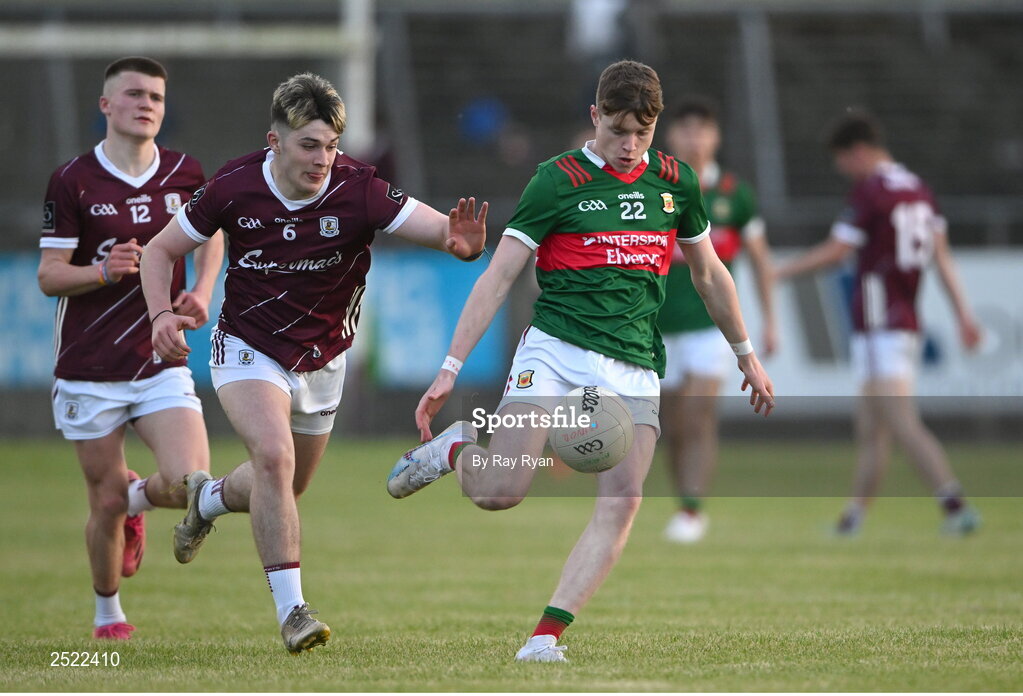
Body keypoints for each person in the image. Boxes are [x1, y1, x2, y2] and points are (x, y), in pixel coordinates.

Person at [387, 60, 774, 663]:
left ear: (656, 126)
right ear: (595, 116)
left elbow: (709, 273)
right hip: (555, 354)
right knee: (501, 491)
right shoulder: (555, 181)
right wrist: (450, 368)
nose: (628, 146)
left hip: (634, 367)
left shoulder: (676, 183)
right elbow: (498, 277)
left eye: (641, 134)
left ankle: (544, 640)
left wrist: (745, 354)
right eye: (617, 130)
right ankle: (457, 446)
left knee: (624, 503)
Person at [139, 72, 487, 654]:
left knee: (285, 485)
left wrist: (461, 242)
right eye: (308, 144)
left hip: (324, 361)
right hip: (248, 348)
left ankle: (207, 498)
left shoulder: (360, 188)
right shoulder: (233, 186)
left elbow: (442, 232)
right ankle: (293, 611)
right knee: (274, 458)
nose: (322, 158)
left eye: (330, 145)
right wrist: (158, 319)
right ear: (274, 141)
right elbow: (159, 251)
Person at [37, 56, 222, 641]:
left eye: (157, 98)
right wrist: (100, 271)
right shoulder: (73, 180)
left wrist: (199, 289)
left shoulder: (185, 173)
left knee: (192, 479)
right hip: (88, 367)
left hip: (158, 357)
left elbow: (213, 232)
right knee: (103, 500)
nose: (147, 104)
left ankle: (138, 497)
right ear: (106, 106)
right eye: (135, 94)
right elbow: (48, 275)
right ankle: (107, 614)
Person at [774, 109, 982, 537]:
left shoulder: (872, 192)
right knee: (871, 429)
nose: (842, 170)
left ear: (859, 151)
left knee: (902, 421)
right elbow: (942, 258)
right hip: (900, 318)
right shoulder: (919, 190)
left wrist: (780, 272)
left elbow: (837, 251)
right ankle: (853, 519)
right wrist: (963, 313)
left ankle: (956, 506)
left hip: (880, 320)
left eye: (842, 159)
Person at [656, 97, 777, 544]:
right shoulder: (654, 186)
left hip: (710, 329)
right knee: (673, 426)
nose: (694, 138)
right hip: (657, 329)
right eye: (685, 129)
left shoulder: (734, 193)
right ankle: (683, 503)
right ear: (671, 136)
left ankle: (691, 510)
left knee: (698, 415)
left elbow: (761, 261)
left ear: (715, 137)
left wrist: (770, 321)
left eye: (701, 129)